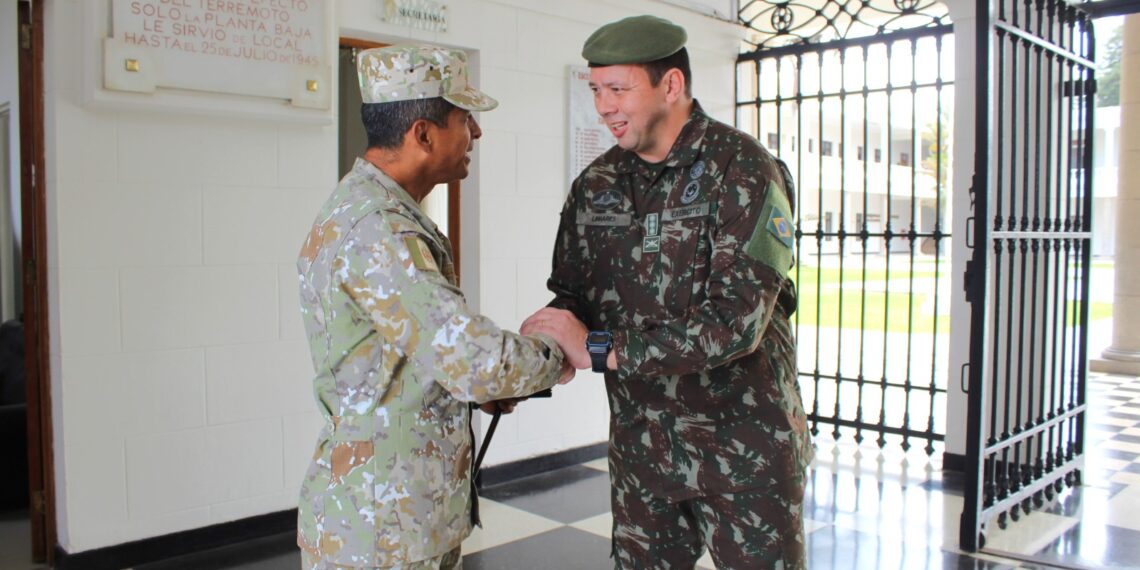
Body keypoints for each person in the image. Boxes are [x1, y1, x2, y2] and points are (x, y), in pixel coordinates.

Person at [523, 14, 814, 569]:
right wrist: (537, 351)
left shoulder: (745, 170)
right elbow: (571, 297)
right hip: (644, 456)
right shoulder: (596, 185)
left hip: (744, 455)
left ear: (671, 85)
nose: (604, 105)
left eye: (618, 88)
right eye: (595, 91)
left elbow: (736, 323)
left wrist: (601, 349)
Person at [295, 44, 571, 570]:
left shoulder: (377, 212)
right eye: (466, 119)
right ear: (423, 133)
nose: (478, 134)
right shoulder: (378, 230)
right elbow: (476, 360)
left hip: (399, 516)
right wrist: (559, 352)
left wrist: (468, 391)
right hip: (380, 531)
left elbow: (410, 357)